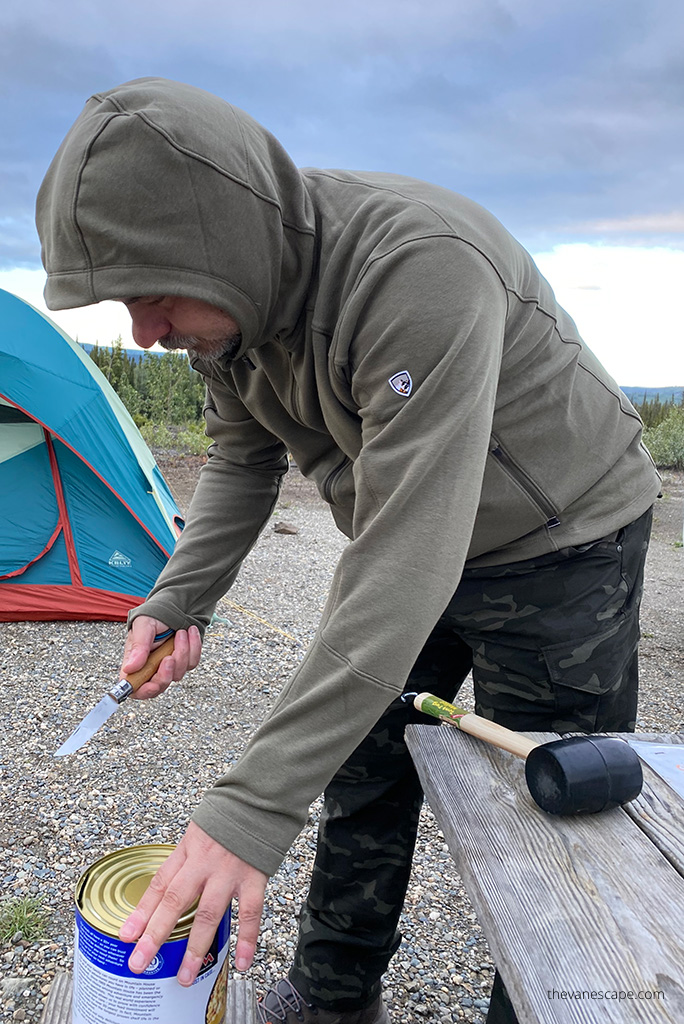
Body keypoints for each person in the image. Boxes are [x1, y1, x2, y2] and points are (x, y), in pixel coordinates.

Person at [36, 78, 660, 1024]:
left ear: (222, 243)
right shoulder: (231, 306)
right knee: (363, 763)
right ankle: (332, 999)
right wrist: (177, 600)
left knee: (549, 806)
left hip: (562, 543)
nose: (146, 334)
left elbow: (413, 543)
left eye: (154, 296)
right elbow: (243, 461)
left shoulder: (415, 268)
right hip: (404, 540)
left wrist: (247, 807)